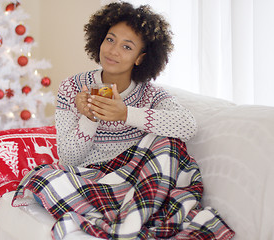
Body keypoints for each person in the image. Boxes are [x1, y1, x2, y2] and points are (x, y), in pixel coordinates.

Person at [13, 2, 234, 239]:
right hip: (94, 179)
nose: (113, 51)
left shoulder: (149, 94)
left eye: (126, 47)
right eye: (110, 39)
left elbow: (187, 126)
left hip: (137, 179)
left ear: (140, 58)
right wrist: (89, 116)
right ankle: (125, 217)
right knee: (42, 177)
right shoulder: (72, 87)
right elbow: (68, 158)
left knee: (169, 143)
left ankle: (129, 221)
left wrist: (126, 113)